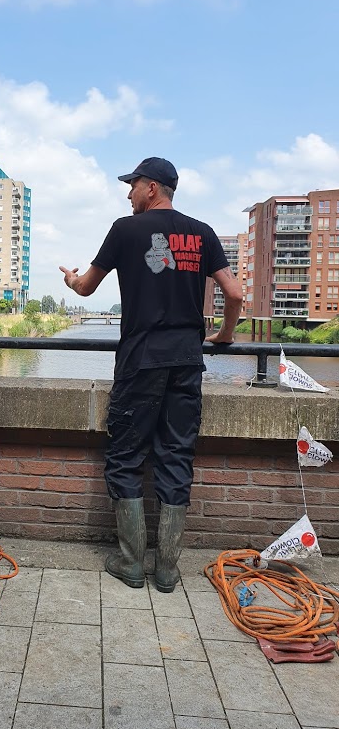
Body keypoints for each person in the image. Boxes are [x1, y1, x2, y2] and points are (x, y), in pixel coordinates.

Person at [60, 157, 242, 592]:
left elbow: (86, 287)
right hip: (185, 361)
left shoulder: (125, 229)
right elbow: (234, 292)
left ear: (152, 188)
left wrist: (70, 281)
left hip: (140, 360)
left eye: (133, 185)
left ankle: (130, 563)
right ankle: (166, 570)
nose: (128, 194)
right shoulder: (203, 232)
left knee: (126, 457)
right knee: (176, 457)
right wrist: (222, 335)